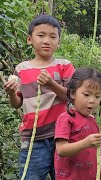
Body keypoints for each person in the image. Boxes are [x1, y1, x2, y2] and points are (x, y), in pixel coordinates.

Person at [2, 14, 75, 179]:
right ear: (30, 39)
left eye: (52, 36)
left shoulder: (65, 66)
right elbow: (16, 104)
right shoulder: (21, 69)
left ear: (58, 42)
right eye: (41, 35)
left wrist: (51, 84)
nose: (46, 40)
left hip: (63, 136)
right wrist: (12, 92)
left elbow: (72, 97)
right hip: (33, 139)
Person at [54, 67, 101, 180]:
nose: (92, 100)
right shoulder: (66, 119)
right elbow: (61, 150)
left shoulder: (92, 120)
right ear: (72, 93)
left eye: (97, 96)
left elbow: (88, 149)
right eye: (86, 95)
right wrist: (85, 143)